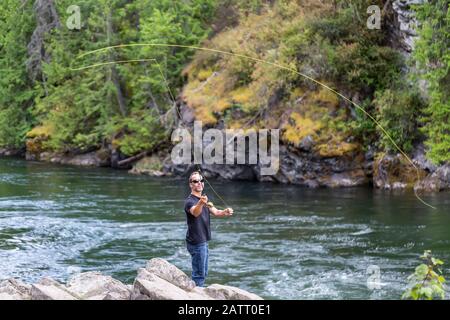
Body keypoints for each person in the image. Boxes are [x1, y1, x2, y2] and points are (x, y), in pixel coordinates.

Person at [183, 171, 233, 287]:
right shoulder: (189, 201)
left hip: (203, 240)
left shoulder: (204, 199)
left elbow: (215, 212)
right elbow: (195, 212)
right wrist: (201, 203)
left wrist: (225, 212)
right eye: (195, 181)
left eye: (201, 180)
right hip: (196, 242)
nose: (199, 183)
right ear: (191, 184)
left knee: (203, 272)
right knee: (199, 274)